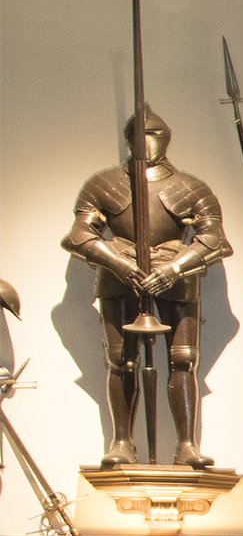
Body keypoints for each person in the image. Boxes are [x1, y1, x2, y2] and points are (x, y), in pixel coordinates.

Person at [61, 107, 231, 466]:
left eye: (152, 136)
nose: (146, 145)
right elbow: (79, 236)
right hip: (121, 271)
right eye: (139, 138)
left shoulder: (190, 186)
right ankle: (122, 441)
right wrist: (118, 263)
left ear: (166, 137)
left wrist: (176, 267)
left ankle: (186, 445)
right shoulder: (103, 183)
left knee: (184, 359)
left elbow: (215, 240)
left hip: (175, 271)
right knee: (121, 360)